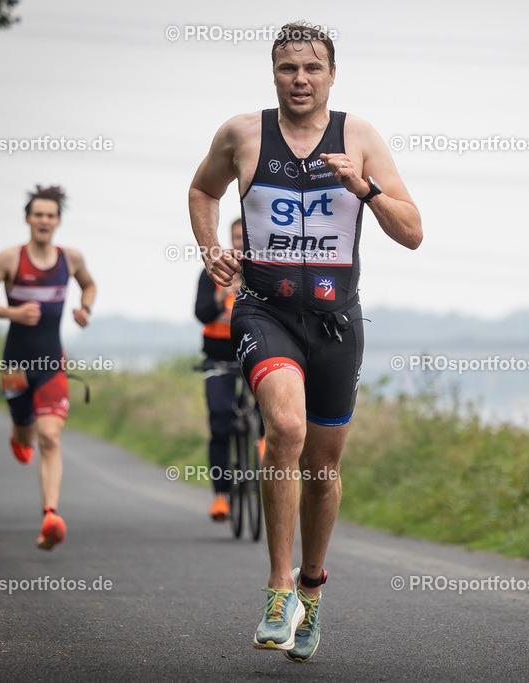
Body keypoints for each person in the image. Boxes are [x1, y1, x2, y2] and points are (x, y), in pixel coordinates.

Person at [188, 22, 422, 662]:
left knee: (322, 469)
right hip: (264, 311)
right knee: (284, 429)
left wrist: (364, 189)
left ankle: (313, 592)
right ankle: (278, 588)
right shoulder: (243, 133)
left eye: (312, 68)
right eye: (288, 68)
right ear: (273, 73)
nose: (300, 79)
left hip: (337, 322)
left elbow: (413, 232)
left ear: (331, 74)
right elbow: (202, 189)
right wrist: (212, 250)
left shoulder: (362, 138)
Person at [0, 185, 96, 551]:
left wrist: (85, 309)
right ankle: (17, 434)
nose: (44, 220)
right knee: (26, 436)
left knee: (50, 437)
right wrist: (12, 312)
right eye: (37, 214)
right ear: (28, 219)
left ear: (58, 221)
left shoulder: (70, 259)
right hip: (14, 366)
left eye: (50, 215)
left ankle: (50, 515)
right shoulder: (10, 259)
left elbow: (89, 285)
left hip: (52, 364)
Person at [194, 217, 244, 521]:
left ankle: (266, 455)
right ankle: (221, 496)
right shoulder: (212, 272)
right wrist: (219, 296)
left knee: (273, 413)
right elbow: (201, 314)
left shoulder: (265, 270)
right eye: (236, 237)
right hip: (218, 359)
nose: (240, 242)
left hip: (256, 357)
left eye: (245, 236)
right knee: (219, 423)